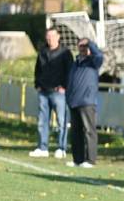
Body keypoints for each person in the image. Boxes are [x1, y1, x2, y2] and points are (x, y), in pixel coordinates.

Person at [30, 27, 73, 158]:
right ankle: (42, 147)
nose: (50, 39)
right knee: (42, 121)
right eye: (48, 36)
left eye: (52, 36)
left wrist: (65, 87)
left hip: (58, 92)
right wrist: (37, 84)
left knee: (62, 120)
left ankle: (62, 148)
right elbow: (37, 69)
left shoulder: (65, 53)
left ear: (58, 36)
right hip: (43, 91)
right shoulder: (43, 52)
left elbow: (70, 71)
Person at [66, 38, 103, 168]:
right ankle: (78, 159)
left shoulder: (93, 61)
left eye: (85, 46)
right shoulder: (76, 62)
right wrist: (68, 97)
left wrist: (90, 44)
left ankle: (90, 160)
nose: (82, 48)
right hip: (74, 101)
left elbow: (99, 55)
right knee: (76, 132)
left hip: (87, 101)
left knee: (89, 131)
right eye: (80, 46)